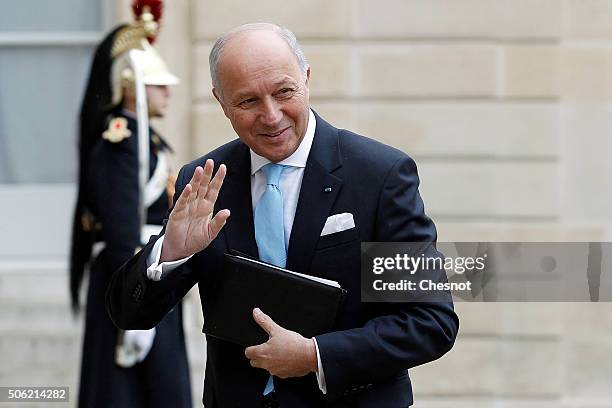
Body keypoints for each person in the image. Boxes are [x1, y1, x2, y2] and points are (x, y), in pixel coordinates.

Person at [107, 23, 459, 407]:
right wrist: (171, 253)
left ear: (306, 79)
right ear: (221, 103)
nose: (271, 116)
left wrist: (316, 355)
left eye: (284, 92)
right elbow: (130, 314)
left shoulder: (378, 176)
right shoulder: (205, 180)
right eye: (247, 102)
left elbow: (429, 321)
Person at [69, 2, 192, 407]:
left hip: (150, 268)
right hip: (131, 271)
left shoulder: (147, 140)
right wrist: (134, 294)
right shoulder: (120, 143)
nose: (168, 92)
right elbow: (122, 223)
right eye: (159, 85)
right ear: (131, 85)